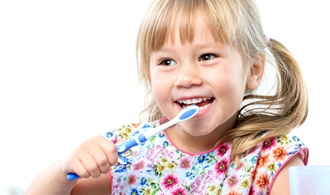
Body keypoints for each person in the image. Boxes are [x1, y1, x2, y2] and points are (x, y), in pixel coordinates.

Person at [25, 0, 309, 194]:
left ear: (254, 69)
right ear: (149, 77)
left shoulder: (273, 159)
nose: (186, 78)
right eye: (167, 62)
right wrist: (64, 170)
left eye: (207, 56)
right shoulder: (127, 155)